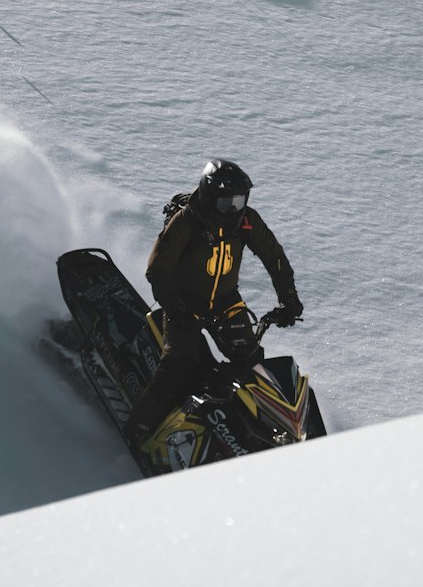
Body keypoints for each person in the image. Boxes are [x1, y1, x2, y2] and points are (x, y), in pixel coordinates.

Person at [123, 158, 304, 450]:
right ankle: (137, 429)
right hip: (183, 303)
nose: (233, 210)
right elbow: (157, 269)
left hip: (225, 302)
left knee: (250, 362)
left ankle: (254, 433)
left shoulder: (247, 221)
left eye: (239, 201)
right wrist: (176, 309)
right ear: (209, 198)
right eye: (225, 203)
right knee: (178, 365)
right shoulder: (187, 222)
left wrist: (289, 299)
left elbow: (275, 257)